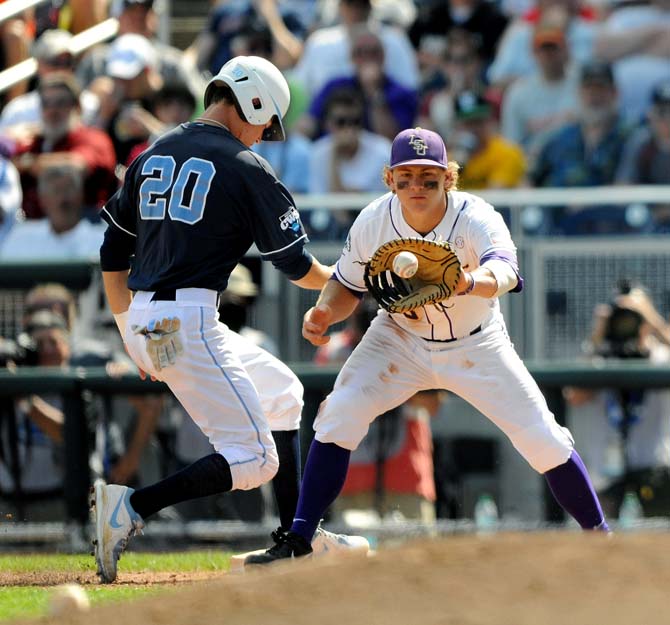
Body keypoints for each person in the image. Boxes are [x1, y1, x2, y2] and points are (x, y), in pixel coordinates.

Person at [245, 127, 610, 565]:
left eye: (429, 177)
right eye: (406, 177)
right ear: (390, 178)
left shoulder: (476, 215)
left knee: (543, 438)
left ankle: (601, 538)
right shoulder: (374, 221)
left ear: (449, 179)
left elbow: (507, 272)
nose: (416, 186)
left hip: (475, 344)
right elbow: (346, 285)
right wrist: (324, 312)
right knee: (339, 413)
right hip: (399, 336)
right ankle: (300, 539)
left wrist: (469, 281)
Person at [92, 55, 366, 583]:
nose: (265, 135)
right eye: (266, 121)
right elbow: (294, 264)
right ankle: (131, 508)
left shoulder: (155, 151)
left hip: (150, 321)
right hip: (188, 320)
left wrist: (130, 333)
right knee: (256, 460)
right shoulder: (244, 165)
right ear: (255, 100)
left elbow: (111, 251)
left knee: (284, 392)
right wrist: (344, 277)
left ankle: (296, 539)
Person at [565, 284, 670, 518]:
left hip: (655, 476)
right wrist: (597, 336)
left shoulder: (660, 358)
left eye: (633, 315)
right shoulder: (601, 361)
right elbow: (574, 394)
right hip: (608, 480)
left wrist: (651, 317)